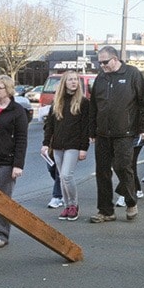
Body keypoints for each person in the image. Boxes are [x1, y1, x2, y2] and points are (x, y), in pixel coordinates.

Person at [89, 46, 144, 223]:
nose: (102, 66)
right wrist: (92, 130)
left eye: (105, 62)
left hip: (125, 132)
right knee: (102, 172)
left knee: (123, 168)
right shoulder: (100, 77)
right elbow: (94, 106)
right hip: (102, 133)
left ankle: (131, 202)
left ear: (115, 59)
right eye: (99, 62)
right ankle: (105, 210)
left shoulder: (133, 74)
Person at [0, 75, 29, 248]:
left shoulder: (17, 111)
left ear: (8, 90)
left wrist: (18, 164)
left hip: (7, 161)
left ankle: (2, 235)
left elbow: (21, 139)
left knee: (2, 199)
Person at [42, 70, 90, 221]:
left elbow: (85, 128)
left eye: (76, 79)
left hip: (74, 145)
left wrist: (84, 148)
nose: (74, 82)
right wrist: (45, 144)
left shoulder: (83, 102)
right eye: (70, 80)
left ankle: (74, 205)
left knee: (66, 175)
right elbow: (49, 125)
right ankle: (67, 206)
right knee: (62, 178)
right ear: (64, 83)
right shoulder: (57, 102)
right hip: (57, 145)